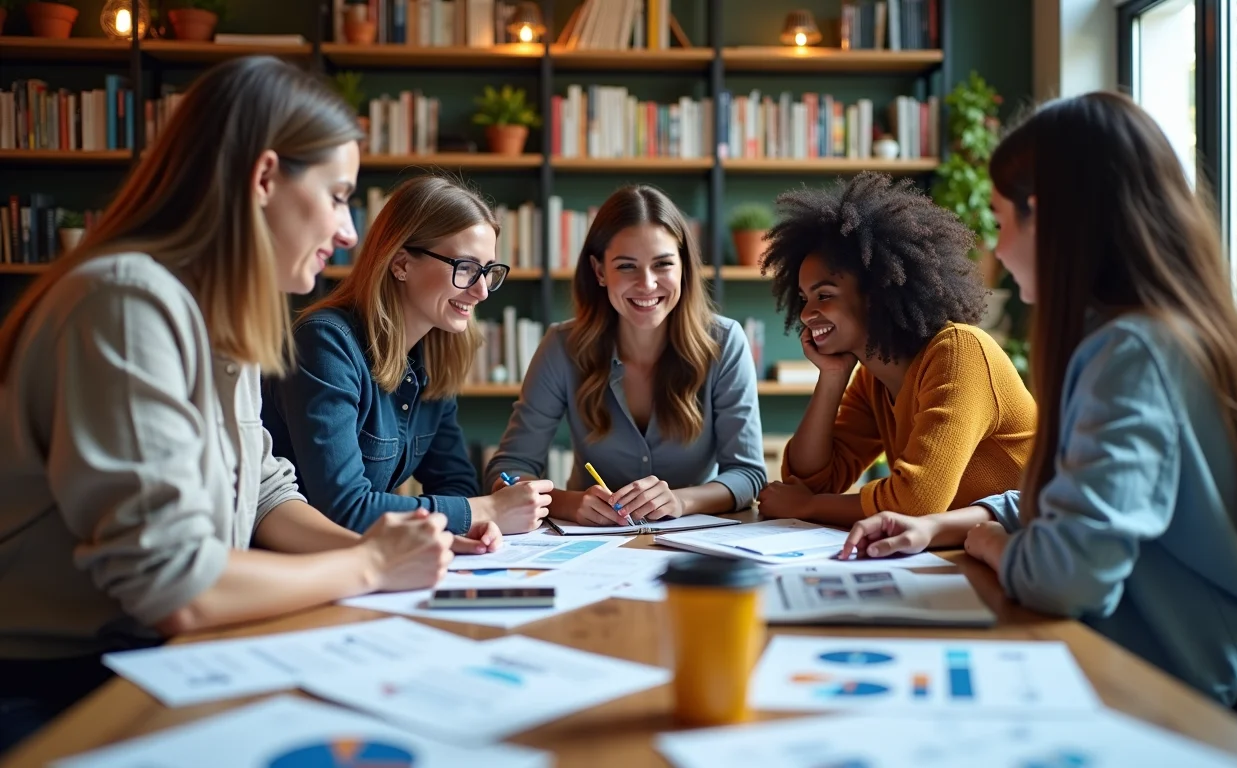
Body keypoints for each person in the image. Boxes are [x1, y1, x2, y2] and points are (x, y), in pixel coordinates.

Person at [0, 57, 458, 751]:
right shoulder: (124, 303)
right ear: (265, 178)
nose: (348, 232)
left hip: (161, 657)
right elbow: (175, 585)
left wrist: (382, 548)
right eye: (338, 196)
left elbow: (267, 493)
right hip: (56, 684)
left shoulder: (222, 313)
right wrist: (370, 566)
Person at [840, 92, 1237, 730]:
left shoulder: (1132, 353)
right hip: (1199, 681)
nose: (996, 249)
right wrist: (943, 526)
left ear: (1042, 217)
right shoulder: (1160, 334)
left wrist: (989, 542)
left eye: (1000, 222)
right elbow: (1075, 496)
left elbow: (1068, 574)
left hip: (1223, 710)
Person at [262, 175, 552, 536]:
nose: (481, 291)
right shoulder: (325, 344)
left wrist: (475, 522)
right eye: (465, 268)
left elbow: (455, 481)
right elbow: (343, 508)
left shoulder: (436, 352)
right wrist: (484, 511)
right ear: (401, 263)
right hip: (303, 558)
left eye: (487, 271)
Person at [756, 173, 1035, 525]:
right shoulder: (873, 378)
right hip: (958, 547)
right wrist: (832, 377)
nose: (807, 314)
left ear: (877, 294)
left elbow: (917, 500)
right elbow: (809, 481)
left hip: (1029, 547)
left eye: (824, 295)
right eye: (804, 298)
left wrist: (807, 508)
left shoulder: (959, 353)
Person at [485, 185, 767, 525]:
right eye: (627, 266)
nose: (647, 284)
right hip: (591, 540)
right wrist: (567, 503)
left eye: (662, 264)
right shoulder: (561, 348)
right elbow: (509, 469)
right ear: (600, 271)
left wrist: (679, 501)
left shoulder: (725, 342)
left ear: (683, 267)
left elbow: (748, 474)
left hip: (693, 540)